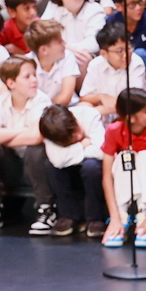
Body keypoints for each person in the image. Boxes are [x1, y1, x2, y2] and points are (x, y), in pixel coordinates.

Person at [0, 55, 56, 235]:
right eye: (27, 77)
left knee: (36, 149)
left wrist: (3, 135)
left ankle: (46, 209)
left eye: (35, 75)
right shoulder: (0, 103)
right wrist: (23, 131)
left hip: (37, 166)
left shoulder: (41, 101)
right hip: (11, 165)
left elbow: (35, 137)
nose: (34, 80)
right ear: (11, 83)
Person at [101, 87, 146, 248]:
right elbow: (107, 175)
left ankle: (144, 216)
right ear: (131, 118)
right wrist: (114, 216)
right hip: (125, 181)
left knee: (145, 156)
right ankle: (122, 217)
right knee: (124, 157)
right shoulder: (113, 130)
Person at [39, 101, 108, 237]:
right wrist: (83, 145)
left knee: (91, 166)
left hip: (92, 171)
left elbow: (102, 151)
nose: (77, 137)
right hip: (69, 171)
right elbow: (57, 161)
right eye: (71, 139)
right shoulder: (50, 130)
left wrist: (69, 153)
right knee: (51, 166)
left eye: (76, 131)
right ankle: (68, 216)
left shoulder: (89, 115)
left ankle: (95, 219)